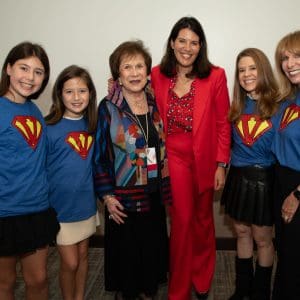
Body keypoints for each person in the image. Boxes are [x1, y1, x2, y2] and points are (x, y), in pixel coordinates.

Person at [151, 16, 231, 300]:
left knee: (203, 219)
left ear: (201, 47)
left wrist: (222, 163)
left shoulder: (216, 76)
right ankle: (179, 289)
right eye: (182, 40)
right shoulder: (156, 74)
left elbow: (223, 123)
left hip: (206, 158)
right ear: (172, 43)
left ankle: (203, 276)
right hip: (173, 157)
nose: (187, 47)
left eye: (194, 42)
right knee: (182, 221)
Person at [94, 40, 171, 300]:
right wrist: (107, 195)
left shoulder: (154, 104)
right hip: (122, 197)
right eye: (128, 66)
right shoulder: (108, 107)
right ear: (118, 75)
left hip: (153, 192)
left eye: (140, 66)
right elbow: (100, 156)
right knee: (127, 255)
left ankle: (148, 292)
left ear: (148, 73)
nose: (135, 72)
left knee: (150, 251)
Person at [0, 41, 60, 299]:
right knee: (6, 282)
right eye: (24, 68)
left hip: (36, 209)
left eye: (38, 72)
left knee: (39, 281)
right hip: (5, 212)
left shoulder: (34, 110)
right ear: (9, 69)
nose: (30, 77)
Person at [221, 48, 280, 300]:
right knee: (242, 233)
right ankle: (242, 288)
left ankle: (260, 292)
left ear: (263, 70)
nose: (246, 74)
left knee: (263, 240)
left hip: (265, 180)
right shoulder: (236, 104)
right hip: (237, 178)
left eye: (252, 68)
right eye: (242, 70)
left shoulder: (279, 104)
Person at [45, 65, 99, 300]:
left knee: (83, 257)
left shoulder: (92, 126)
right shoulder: (48, 128)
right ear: (59, 94)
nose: (76, 97)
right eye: (69, 91)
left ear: (90, 94)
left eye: (82, 91)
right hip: (60, 209)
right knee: (70, 262)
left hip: (85, 204)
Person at [271, 30, 300, 300]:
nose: (290, 64)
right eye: (285, 58)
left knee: (293, 257)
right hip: (282, 181)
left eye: (297, 56)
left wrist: (298, 194)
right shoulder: (288, 99)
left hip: (297, 188)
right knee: (285, 252)